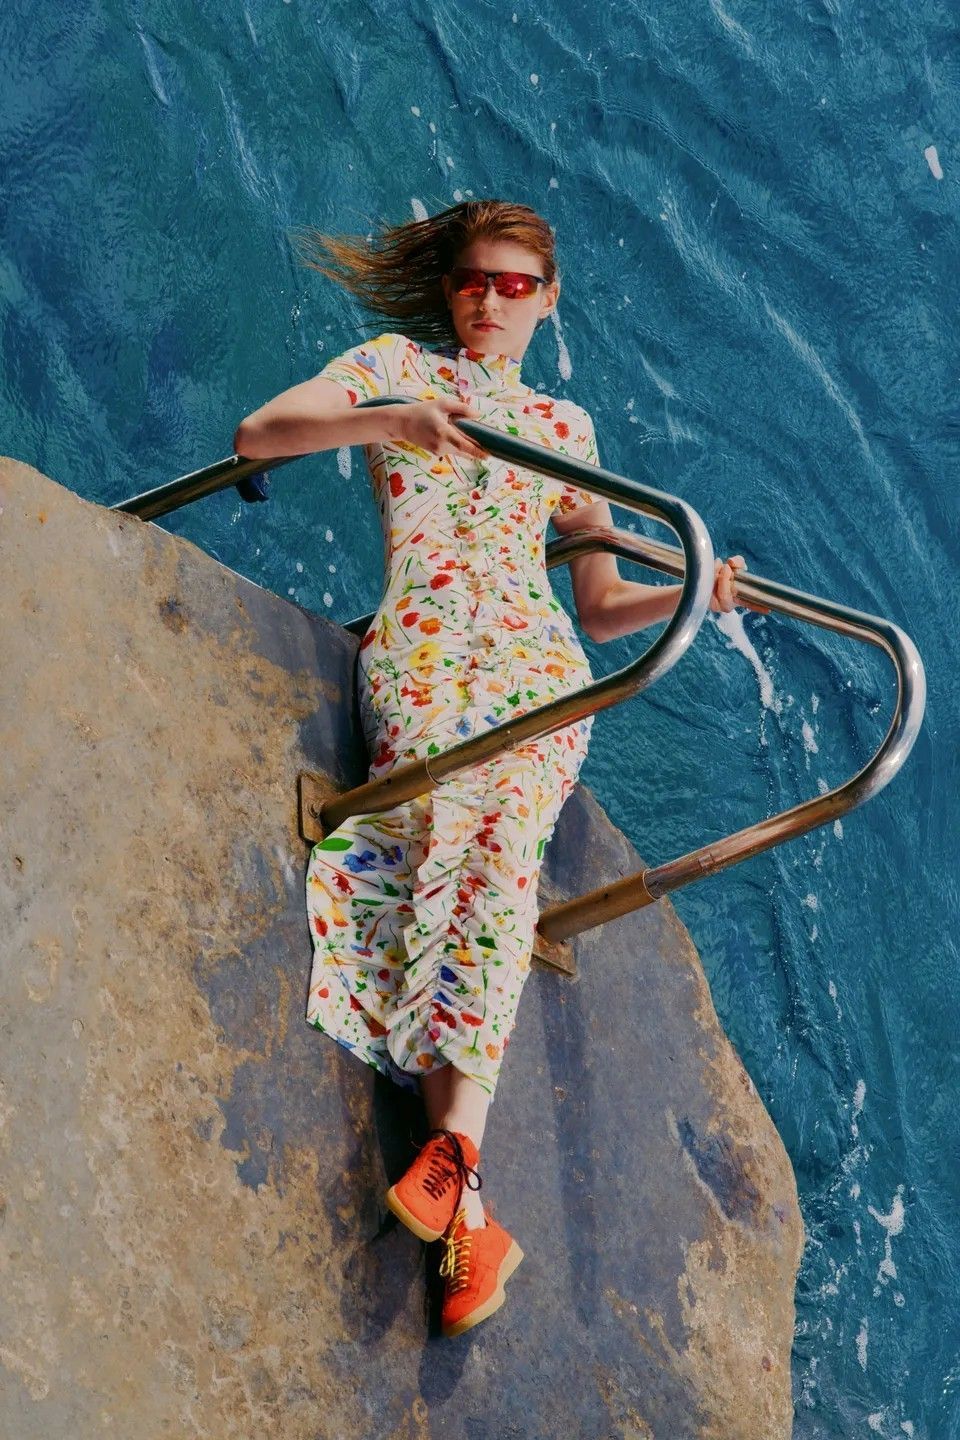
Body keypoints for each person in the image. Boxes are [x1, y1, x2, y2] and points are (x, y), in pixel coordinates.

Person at [233, 199, 748, 1339]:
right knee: (440, 840)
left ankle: (456, 1164)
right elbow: (262, 433)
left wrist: (698, 594)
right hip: (419, 644)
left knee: (498, 837)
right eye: (474, 280)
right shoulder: (395, 368)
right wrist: (393, 421)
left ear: (549, 298)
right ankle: (467, 1201)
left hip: (533, 661)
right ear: (451, 289)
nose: (490, 300)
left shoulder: (565, 423)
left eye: (516, 286)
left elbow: (607, 609)